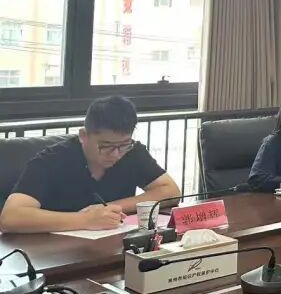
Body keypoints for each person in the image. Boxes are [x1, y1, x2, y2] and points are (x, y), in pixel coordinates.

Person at [0, 96, 179, 233]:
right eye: (106, 146)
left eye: (123, 145)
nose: (116, 154)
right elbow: (11, 217)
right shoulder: (52, 160)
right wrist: (85, 220)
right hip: (53, 254)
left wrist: (110, 208)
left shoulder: (132, 152)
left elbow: (170, 191)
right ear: (83, 136)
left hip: (111, 248)